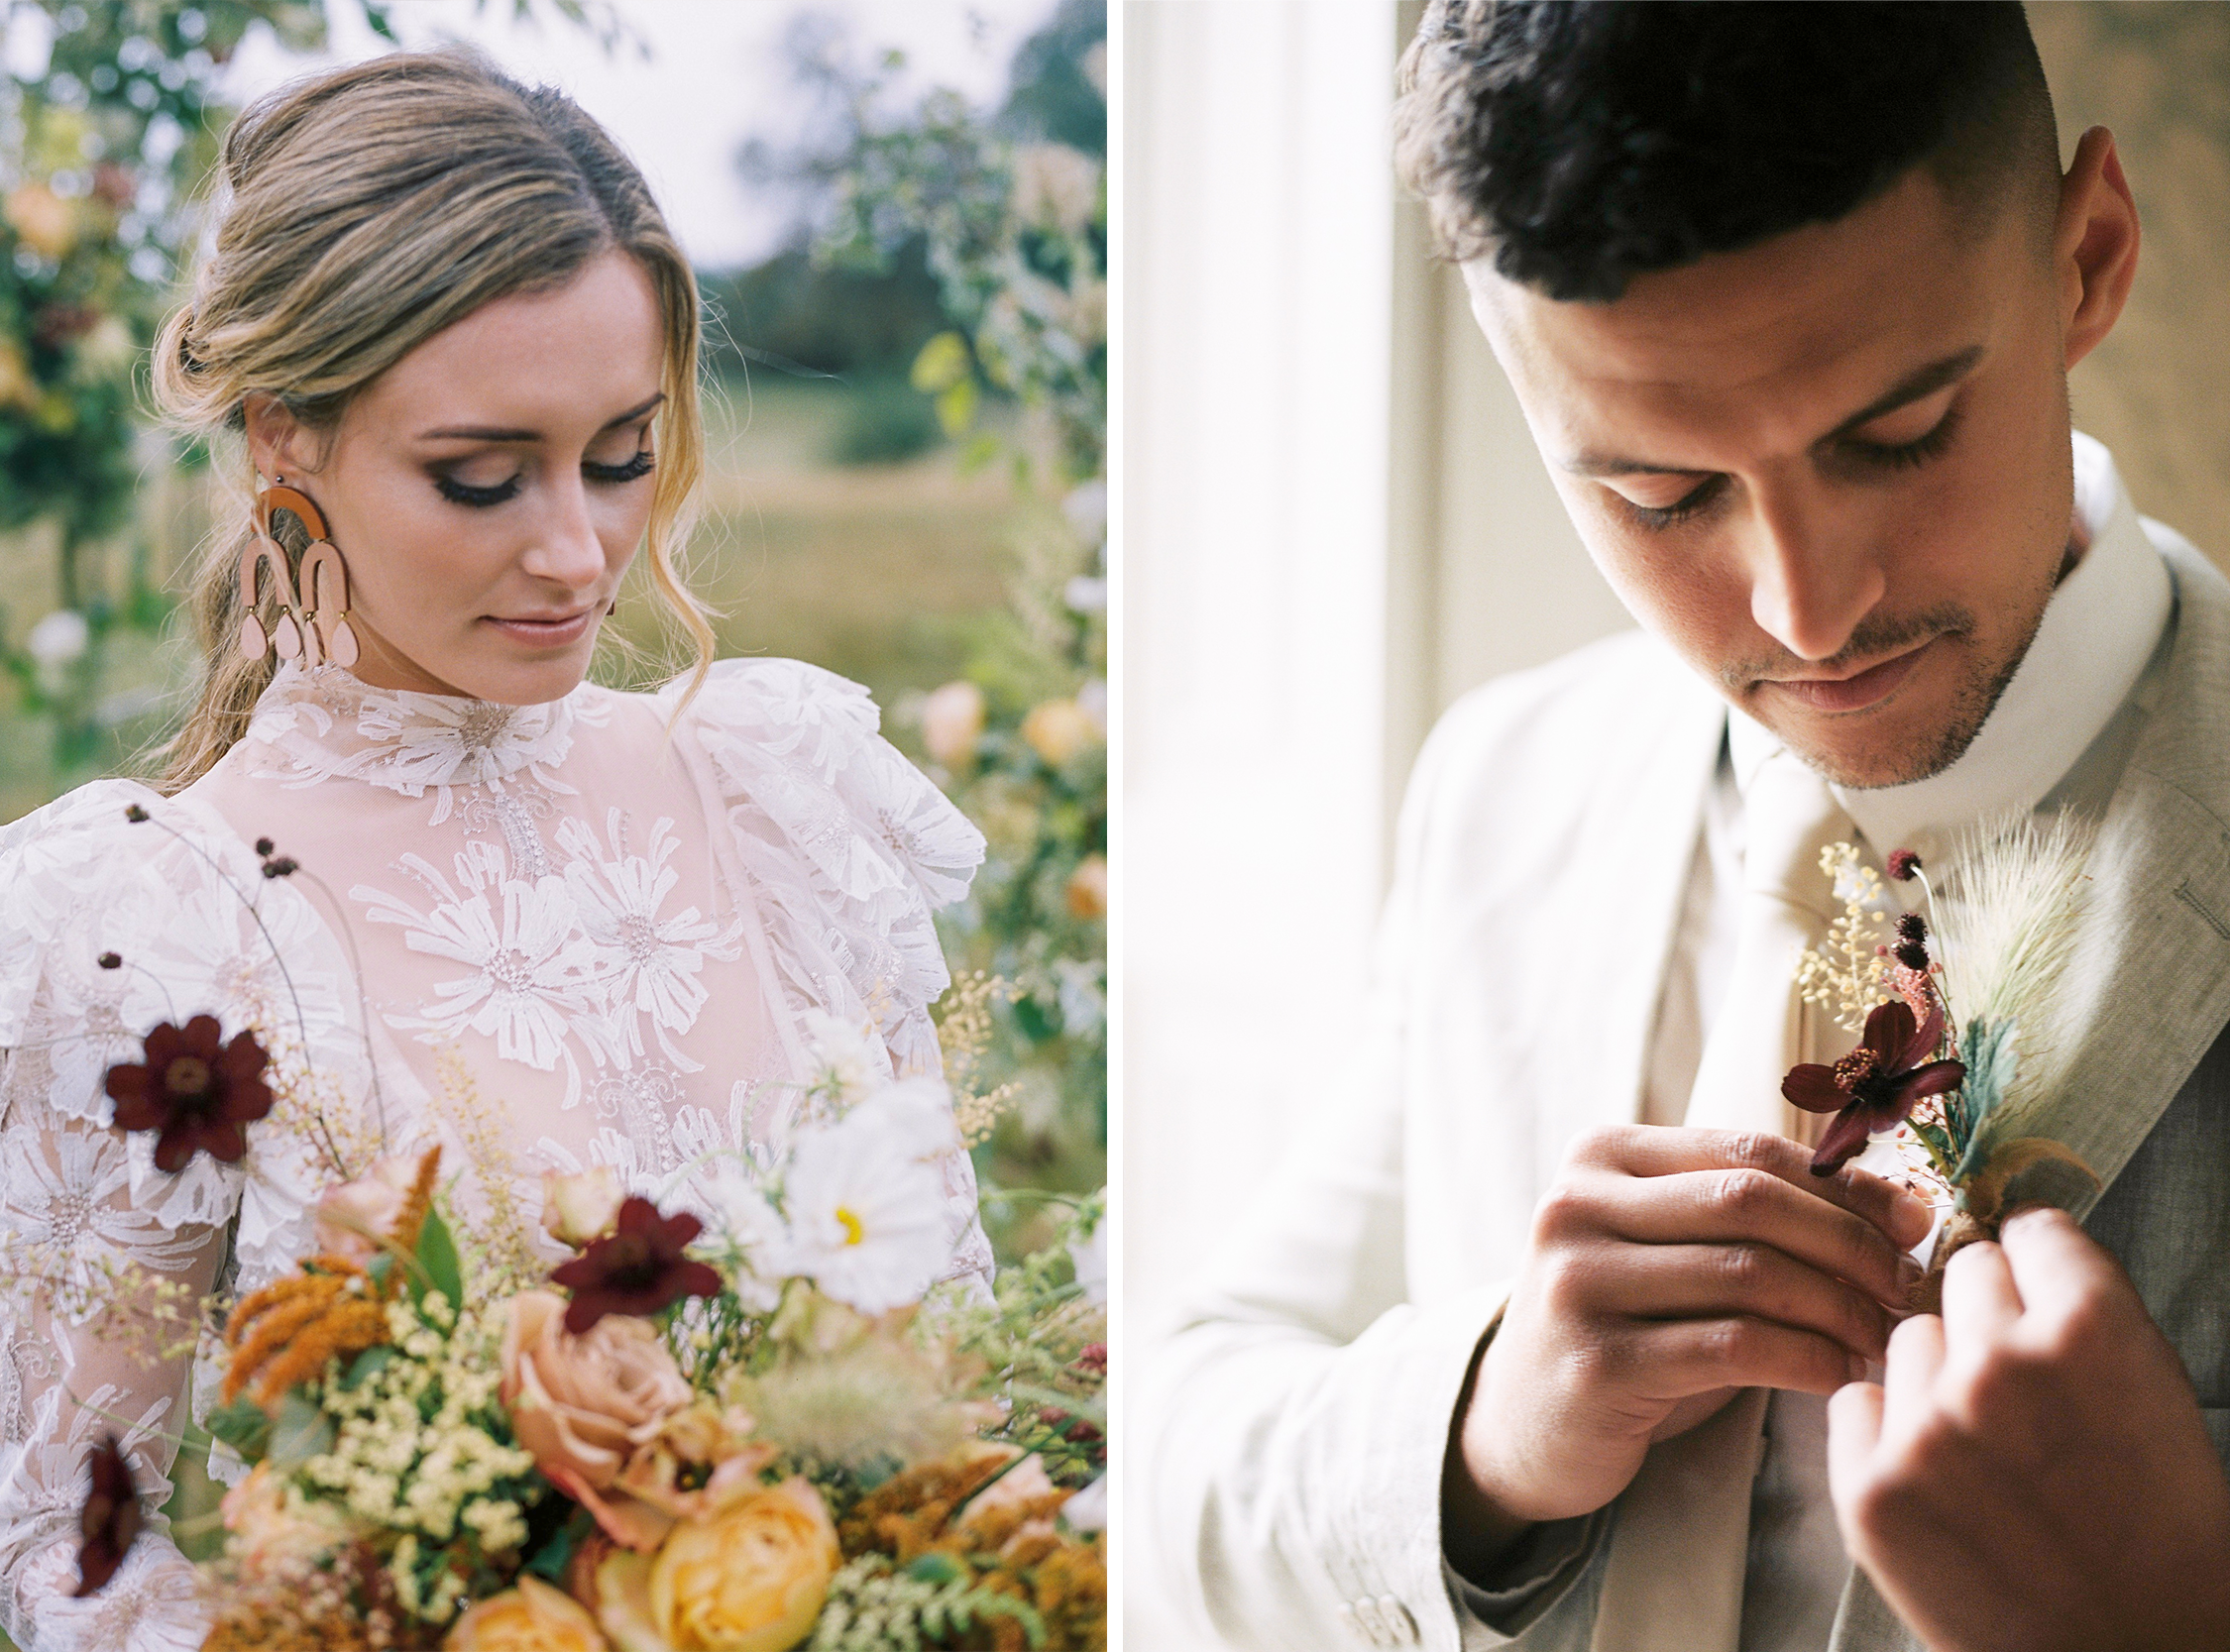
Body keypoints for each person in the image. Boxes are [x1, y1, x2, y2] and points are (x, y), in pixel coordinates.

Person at [1140, 5, 2230, 1651]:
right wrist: (1480, 1431)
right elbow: (1171, 1447)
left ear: (2084, 257)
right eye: (1659, 494)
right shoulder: (1496, 790)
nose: (1806, 611)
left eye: (1898, 433)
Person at [0, 52, 989, 1651]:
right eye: (481, 474)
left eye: (620, 454)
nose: (577, 549)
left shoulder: (783, 790)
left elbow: (960, 1385)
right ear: (282, 440)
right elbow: (75, 1543)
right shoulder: (138, 929)